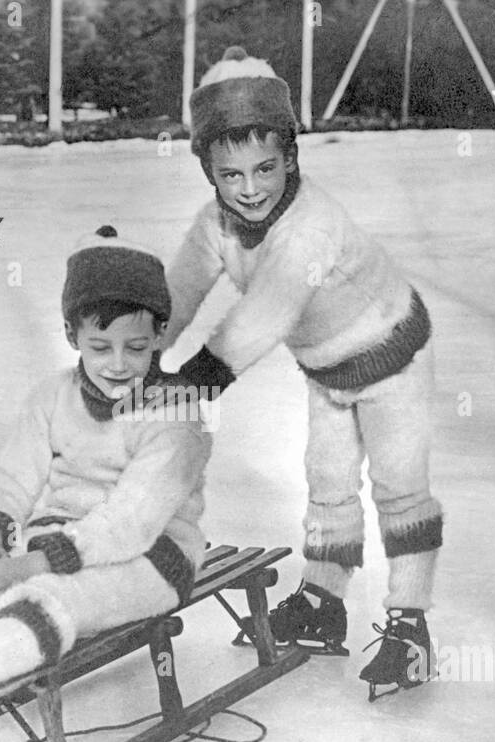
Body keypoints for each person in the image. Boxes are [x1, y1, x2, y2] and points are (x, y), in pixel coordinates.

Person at [167, 47, 441, 699]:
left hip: (394, 356)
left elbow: (265, 314)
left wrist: (190, 382)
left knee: (400, 489)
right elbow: (176, 293)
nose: (251, 188)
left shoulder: (309, 227)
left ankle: (410, 630)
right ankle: (323, 603)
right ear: (208, 170)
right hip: (327, 369)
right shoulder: (217, 226)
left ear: (292, 157)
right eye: (230, 173)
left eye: (265, 167)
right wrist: (129, 350)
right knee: (327, 484)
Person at [0, 226, 212, 722]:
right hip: (55, 543)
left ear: (160, 336)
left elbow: (129, 523)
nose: (118, 365)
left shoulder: (176, 418)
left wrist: (29, 565)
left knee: (50, 598)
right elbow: (13, 477)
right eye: (100, 347)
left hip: (154, 560)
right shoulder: (52, 397)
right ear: (71, 335)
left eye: (136, 347)